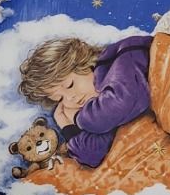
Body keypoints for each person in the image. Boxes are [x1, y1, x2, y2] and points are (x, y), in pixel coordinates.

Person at [17, 35, 153, 168]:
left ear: (83, 63)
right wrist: (67, 126)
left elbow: (119, 105)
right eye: (60, 99)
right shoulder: (98, 108)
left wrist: (76, 117)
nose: (70, 98)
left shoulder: (125, 54)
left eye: (70, 85)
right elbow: (92, 154)